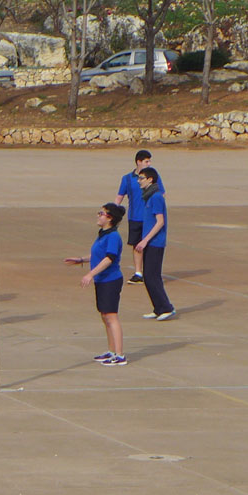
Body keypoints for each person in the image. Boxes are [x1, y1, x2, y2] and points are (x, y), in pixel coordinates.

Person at [65, 203, 128, 366]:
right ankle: (111, 350)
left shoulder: (113, 236)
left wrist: (90, 274)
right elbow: (97, 254)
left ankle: (120, 355)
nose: (98, 216)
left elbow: (109, 258)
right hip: (102, 280)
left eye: (101, 213)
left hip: (110, 280)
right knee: (104, 315)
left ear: (110, 218)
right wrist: (81, 260)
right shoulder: (103, 234)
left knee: (111, 316)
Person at [116, 150, 165, 284]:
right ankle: (138, 272)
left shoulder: (154, 177)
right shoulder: (127, 178)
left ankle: (151, 272)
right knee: (136, 245)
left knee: (150, 244)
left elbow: (162, 194)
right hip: (134, 217)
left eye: (149, 161)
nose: (149, 164)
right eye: (146, 161)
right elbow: (119, 196)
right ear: (138, 162)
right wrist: (113, 212)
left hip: (149, 218)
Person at [134, 167, 175, 320]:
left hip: (155, 242)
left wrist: (145, 240)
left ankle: (166, 307)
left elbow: (160, 222)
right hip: (149, 242)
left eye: (141, 178)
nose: (139, 181)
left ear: (150, 179)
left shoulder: (156, 197)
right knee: (148, 276)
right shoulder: (148, 197)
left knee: (152, 276)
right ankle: (158, 307)